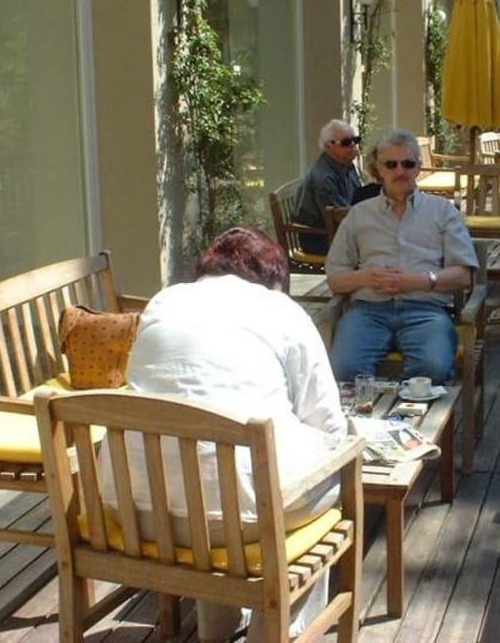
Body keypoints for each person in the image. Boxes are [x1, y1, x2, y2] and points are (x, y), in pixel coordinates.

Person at [98, 226, 346, 643]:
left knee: (213, 480)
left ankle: (216, 632)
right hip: (237, 524)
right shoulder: (280, 310)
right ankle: (279, 630)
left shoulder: (165, 300)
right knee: (325, 477)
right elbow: (328, 424)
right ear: (272, 275)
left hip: (132, 511)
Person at [325, 128, 479, 384]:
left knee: (432, 369)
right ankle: (373, 422)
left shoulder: (443, 212)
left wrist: (418, 281)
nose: (400, 171)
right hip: (368, 311)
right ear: (379, 169)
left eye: (408, 164)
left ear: (418, 168)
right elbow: (335, 279)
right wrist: (366, 277)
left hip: (426, 311)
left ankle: (410, 419)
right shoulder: (359, 215)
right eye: (391, 164)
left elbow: (464, 274)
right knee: (344, 369)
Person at [292, 119, 363, 254]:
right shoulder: (324, 178)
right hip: (321, 239)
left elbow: (356, 200)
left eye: (356, 140)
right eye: (346, 142)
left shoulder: (346, 164)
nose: (353, 145)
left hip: (339, 231)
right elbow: (339, 216)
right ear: (328, 147)